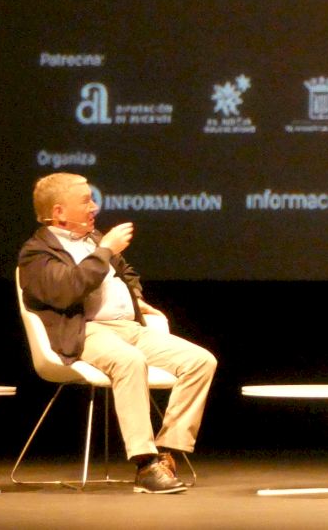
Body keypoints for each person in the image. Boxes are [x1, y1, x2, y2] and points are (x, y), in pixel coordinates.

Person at [18, 173, 217, 494]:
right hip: (86, 331)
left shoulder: (94, 239)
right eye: (86, 201)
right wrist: (105, 250)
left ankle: (166, 452)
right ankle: (145, 465)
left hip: (129, 328)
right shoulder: (37, 253)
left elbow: (127, 273)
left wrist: (135, 297)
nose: (94, 207)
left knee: (200, 361)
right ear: (59, 212)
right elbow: (68, 290)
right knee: (129, 361)